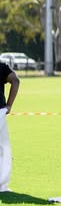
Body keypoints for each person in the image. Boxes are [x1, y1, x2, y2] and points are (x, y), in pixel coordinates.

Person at [0, 60, 20, 192]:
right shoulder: (1, 67)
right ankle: (1, 183)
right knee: (2, 150)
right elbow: (15, 81)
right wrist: (9, 105)